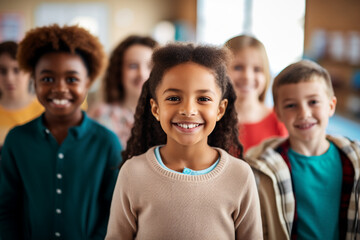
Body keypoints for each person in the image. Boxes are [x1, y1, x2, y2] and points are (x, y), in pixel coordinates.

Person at [105, 43, 262, 240]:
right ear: (155, 109)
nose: (188, 110)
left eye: (203, 99)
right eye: (173, 98)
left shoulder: (240, 175)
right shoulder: (133, 173)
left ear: (220, 110)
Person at [0, 24, 122, 239]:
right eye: (47, 79)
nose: (59, 88)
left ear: (87, 83)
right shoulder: (17, 140)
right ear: (34, 82)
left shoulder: (106, 142)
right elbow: (6, 208)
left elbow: (113, 212)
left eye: (72, 79)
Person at [245, 60, 360, 240]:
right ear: (279, 114)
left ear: (331, 106)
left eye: (313, 102)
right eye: (291, 105)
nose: (304, 113)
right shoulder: (261, 169)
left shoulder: (355, 161)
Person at [88, 35, 158, 148]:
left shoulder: (169, 115)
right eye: (133, 66)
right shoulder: (99, 116)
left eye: (150, 66)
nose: (142, 74)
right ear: (118, 71)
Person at [225, 35, 287, 153]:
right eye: (238, 67)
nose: (247, 76)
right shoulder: (212, 120)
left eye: (257, 69)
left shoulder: (279, 120)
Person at [0, 41, 44, 147]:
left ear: (30, 73)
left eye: (17, 70)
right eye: (2, 71)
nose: (9, 78)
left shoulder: (45, 110)